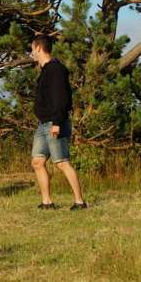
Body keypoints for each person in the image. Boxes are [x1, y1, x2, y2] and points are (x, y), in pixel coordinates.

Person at [29, 34, 87, 210]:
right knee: (37, 162)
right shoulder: (46, 70)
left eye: (32, 48)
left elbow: (60, 98)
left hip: (55, 122)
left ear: (39, 48)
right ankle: (47, 202)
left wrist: (57, 122)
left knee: (61, 162)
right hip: (43, 124)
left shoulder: (55, 69)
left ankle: (79, 202)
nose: (31, 52)